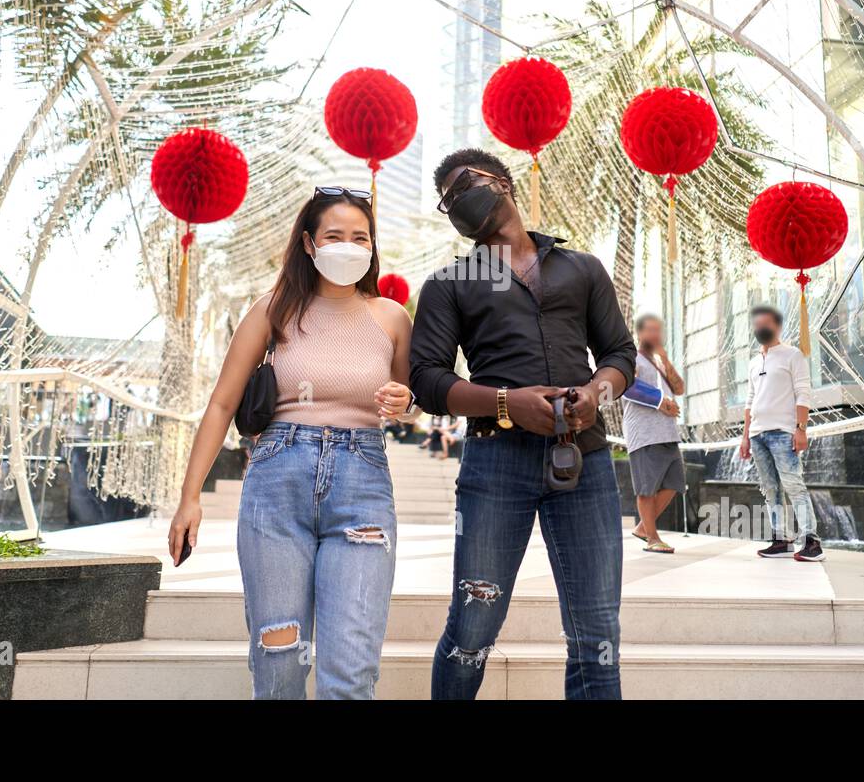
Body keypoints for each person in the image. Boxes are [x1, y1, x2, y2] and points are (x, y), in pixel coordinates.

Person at [168, 187, 415, 698]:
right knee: (278, 661)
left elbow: (408, 397)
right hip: (277, 481)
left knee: (350, 669)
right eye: (334, 236)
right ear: (309, 243)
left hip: (362, 481)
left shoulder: (391, 318)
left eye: (360, 237)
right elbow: (220, 404)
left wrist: (403, 399)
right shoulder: (273, 310)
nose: (348, 246)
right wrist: (190, 498)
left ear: (372, 247)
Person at [411, 148, 636, 701]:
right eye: (448, 199)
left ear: (503, 181)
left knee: (597, 633)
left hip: (584, 459)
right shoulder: (449, 283)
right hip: (495, 464)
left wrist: (593, 393)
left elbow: (620, 355)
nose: (459, 199)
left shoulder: (582, 267)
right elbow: (428, 381)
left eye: (466, 184)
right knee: (472, 630)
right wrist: (508, 403)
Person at [738, 304, 824, 562]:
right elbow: (749, 400)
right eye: (757, 325)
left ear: (777, 326)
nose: (761, 329)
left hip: (783, 432)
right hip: (757, 435)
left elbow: (803, 393)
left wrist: (801, 429)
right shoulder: (754, 361)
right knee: (770, 489)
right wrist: (745, 436)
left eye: (766, 324)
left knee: (793, 485)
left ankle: (811, 541)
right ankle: (782, 539)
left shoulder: (792, 355)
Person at [620, 313, 686, 554]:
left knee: (675, 483)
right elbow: (626, 387)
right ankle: (652, 538)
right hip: (644, 433)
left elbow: (679, 388)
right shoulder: (631, 358)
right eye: (650, 330)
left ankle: (642, 527)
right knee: (646, 487)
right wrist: (660, 401)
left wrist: (666, 361)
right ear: (639, 333)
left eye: (658, 330)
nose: (655, 335)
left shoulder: (659, 363)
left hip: (668, 433)